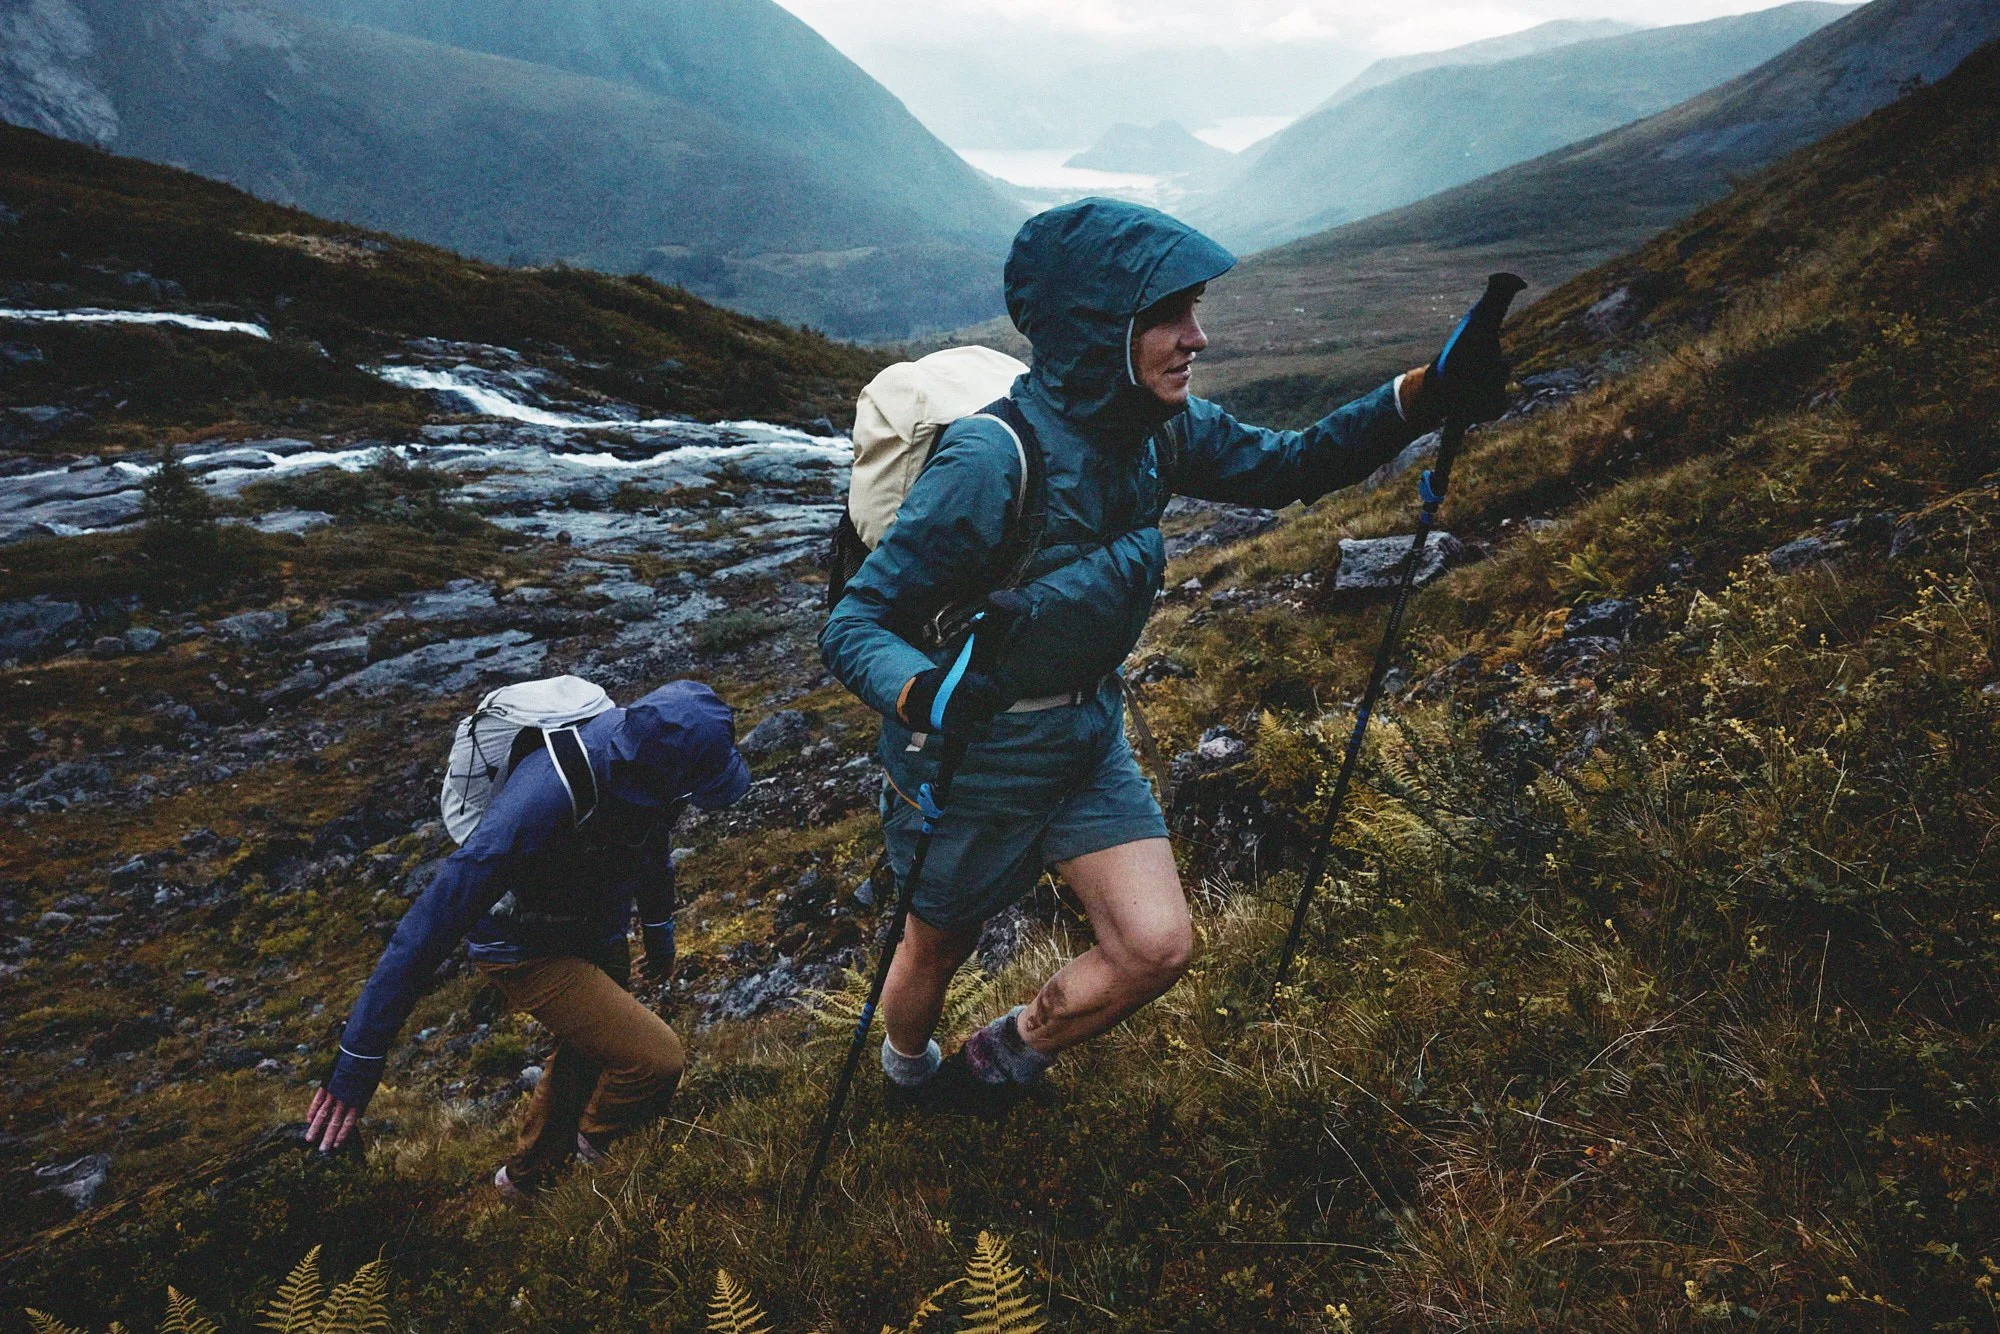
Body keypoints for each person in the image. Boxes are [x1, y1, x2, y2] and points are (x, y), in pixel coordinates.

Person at [820, 198, 1510, 1110]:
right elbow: (854, 623)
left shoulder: (1160, 427)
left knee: (1156, 948)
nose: (1198, 337)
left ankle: (997, 1062)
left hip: (1085, 739)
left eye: (1195, 311)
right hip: (969, 755)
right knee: (938, 945)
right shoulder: (990, 461)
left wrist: (1422, 395)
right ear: (1098, 329)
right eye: (1169, 317)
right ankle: (907, 1075)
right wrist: (920, 692)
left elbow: (1290, 467)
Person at [304, 680, 751, 1197]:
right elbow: (430, 924)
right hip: (521, 946)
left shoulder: (646, 761)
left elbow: (651, 841)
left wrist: (658, 930)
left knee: (589, 1051)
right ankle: (597, 1176)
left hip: (592, 927)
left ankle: (527, 1182)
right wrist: (358, 1058)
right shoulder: (538, 801)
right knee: (654, 1060)